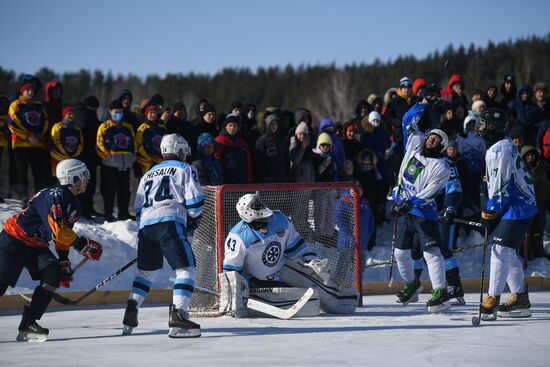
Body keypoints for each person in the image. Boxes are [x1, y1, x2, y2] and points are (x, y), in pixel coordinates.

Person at [0, 159, 103, 341]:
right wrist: (82, 244)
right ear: (73, 177)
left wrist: (63, 261)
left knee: (52, 273)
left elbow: (64, 234)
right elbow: (58, 230)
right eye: (84, 175)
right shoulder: (54, 195)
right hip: (14, 239)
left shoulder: (75, 204)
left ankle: (29, 322)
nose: (87, 179)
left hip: (36, 245)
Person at [221, 193, 357, 316]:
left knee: (319, 289)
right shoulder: (237, 237)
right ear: (248, 217)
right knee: (311, 303)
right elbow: (231, 273)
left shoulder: (280, 219)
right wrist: (235, 296)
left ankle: (344, 299)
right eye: (259, 216)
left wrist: (312, 262)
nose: (265, 219)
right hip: (256, 284)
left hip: (284, 271)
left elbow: (297, 248)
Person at [122, 134, 203, 338]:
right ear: (179, 149)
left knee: (146, 273)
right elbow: (195, 204)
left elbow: (138, 208)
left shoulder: (148, 173)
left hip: (146, 226)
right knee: (186, 270)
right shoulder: (185, 168)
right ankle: (179, 317)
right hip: (170, 222)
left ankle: (132, 306)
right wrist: (191, 218)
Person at [391, 85, 452, 313]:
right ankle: (412, 284)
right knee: (400, 252)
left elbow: (429, 192)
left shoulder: (441, 166)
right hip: (404, 209)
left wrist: (409, 203)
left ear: (442, 147)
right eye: (431, 136)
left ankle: (440, 291)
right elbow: (408, 120)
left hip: (422, 213)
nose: (431, 140)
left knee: (431, 253)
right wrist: (424, 102)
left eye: (437, 140)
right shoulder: (414, 147)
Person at [474, 109, 537, 320]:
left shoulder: (499, 151)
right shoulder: (501, 146)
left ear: (493, 127)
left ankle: (492, 299)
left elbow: (501, 187)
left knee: (500, 249)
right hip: (518, 204)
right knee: (507, 251)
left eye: (484, 124)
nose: (480, 127)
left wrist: (490, 213)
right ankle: (520, 297)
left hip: (517, 206)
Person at [8, 74, 51, 201]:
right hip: (21, 144)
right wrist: (27, 137)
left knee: (38, 173)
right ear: (22, 90)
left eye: (32, 90)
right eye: (28, 90)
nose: (31, 92)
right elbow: (12, 123)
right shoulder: (16, 104)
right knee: (22, 172)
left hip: (37, 144)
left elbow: (45, 122)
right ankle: (24, 197)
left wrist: (39, 136)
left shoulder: (38, 105)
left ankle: (39, 198)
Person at [96, 99, 136, 222]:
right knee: (109, 190)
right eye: (115, 111)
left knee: (124, 190)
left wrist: (132, 158)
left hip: (125, 165)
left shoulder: (128, 127)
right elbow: (99, 144)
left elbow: (134, 144)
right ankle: (108, 213)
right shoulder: (104, 126)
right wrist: (108, 157)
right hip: (110, 165)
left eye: (120, 111)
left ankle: (124, 213)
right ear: (110, 111)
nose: (118, 114)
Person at [214, 114, 252, 184]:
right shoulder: (219, 141)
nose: (232, 128)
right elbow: (216, 161)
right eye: (230, 125)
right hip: (226, 180)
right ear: (225, 126)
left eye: (235, 126)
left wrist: (248, 178)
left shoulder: (242, 142)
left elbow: (248, 161)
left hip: (241, 179)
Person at [50, 105, 84, 177]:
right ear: (64, 115)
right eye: (69, 114)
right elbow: (56, 142)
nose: (72, 116)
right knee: (58, 179)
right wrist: (65, 154)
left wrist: (74, 155)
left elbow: (80, 144)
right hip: (58, 157)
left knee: (69, 180)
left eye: (73, 114)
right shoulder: (58, 126)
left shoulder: (77, 129)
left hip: (71, 159)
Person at [254, 114, 289, 183]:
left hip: (281, 177)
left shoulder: (282, 139)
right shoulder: (262, 140)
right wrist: (263, 176)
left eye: (275, 124)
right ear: (267, 125)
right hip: (268, 178)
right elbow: (258, 161)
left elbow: (287, 158)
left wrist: (286, 174)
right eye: (272, 124)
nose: (274, 126)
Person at [135, 104, 167, 177]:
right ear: (146, 114)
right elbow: (139, 146)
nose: (153, 115)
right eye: (151, 113)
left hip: (161, 163)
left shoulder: (162, 128)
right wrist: (149, 160)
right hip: (147, 164)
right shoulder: (142, 128)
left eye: (155, 113)